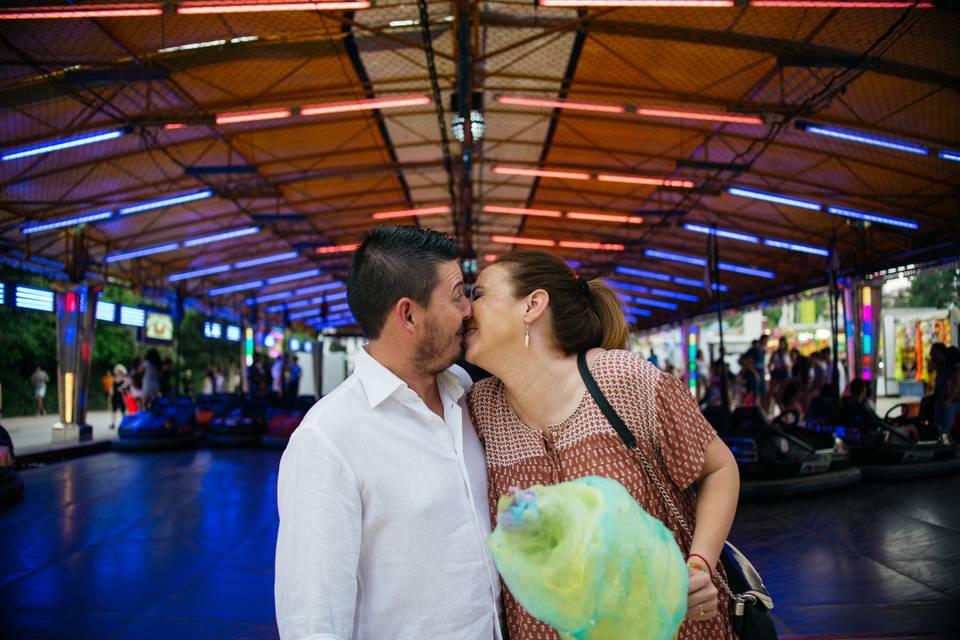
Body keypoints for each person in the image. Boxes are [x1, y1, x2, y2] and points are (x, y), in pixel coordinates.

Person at [464, 251, 739, 640]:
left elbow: (718, 467)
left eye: (479, 294)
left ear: (533, 305)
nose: (464, 310)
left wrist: (700, 565)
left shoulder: (621, 378)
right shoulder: (478, 409)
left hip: (666, 624)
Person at [275, 226, 502, 640]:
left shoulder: (467, 395)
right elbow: (314, 622)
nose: (469, 310)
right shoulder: (329, 439)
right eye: (456, 296)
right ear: (409, 315)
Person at [110, 364, 128, 429]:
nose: (118, 371)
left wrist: (121, 388)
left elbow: (126, 384)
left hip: (121, 395)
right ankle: (113, 423)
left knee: (123, 409)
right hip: (115, 395)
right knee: (114, 409)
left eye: (119, 370)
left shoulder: (124, 378)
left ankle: (124, 422)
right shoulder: (114, 378)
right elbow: (112, 386)